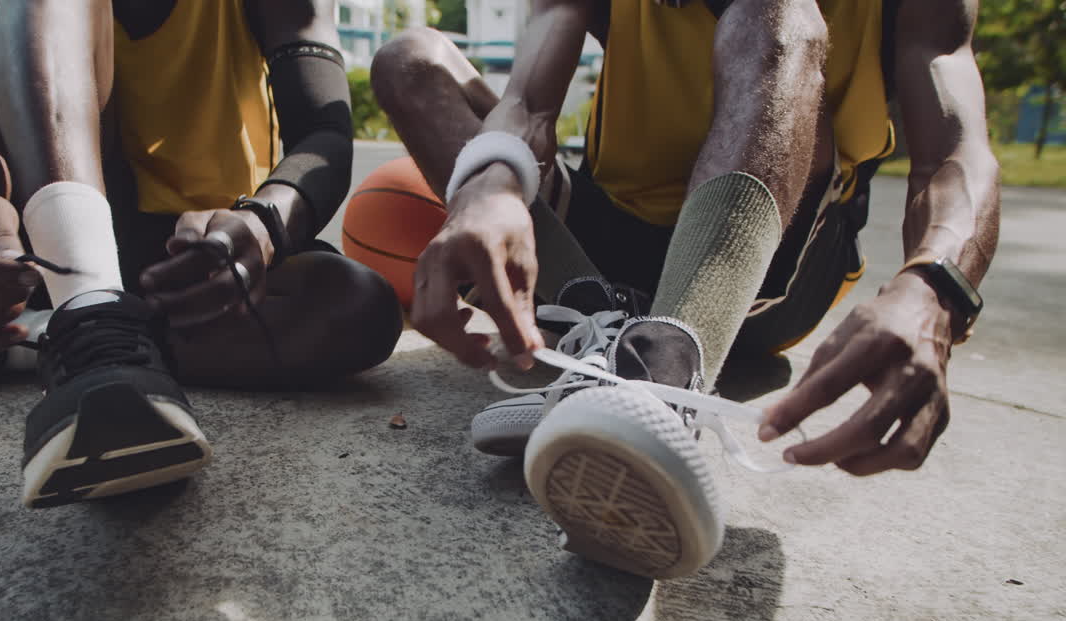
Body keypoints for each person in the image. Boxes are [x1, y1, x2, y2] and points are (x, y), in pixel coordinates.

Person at [370, 0, 998, 578]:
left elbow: (955, 153)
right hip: (612, 231)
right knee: (412, 61)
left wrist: (935, 286)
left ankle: (660, 378)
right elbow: (527, 102)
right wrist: (492, 181)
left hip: (778, 252)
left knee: (773, 10)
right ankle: (597, 324)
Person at [0, 0, 402, 508]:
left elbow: (323, 134)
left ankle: (37, 338)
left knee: (358, 308)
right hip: (55, 249)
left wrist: (265, 222)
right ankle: (91, 313)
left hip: (195, 262)